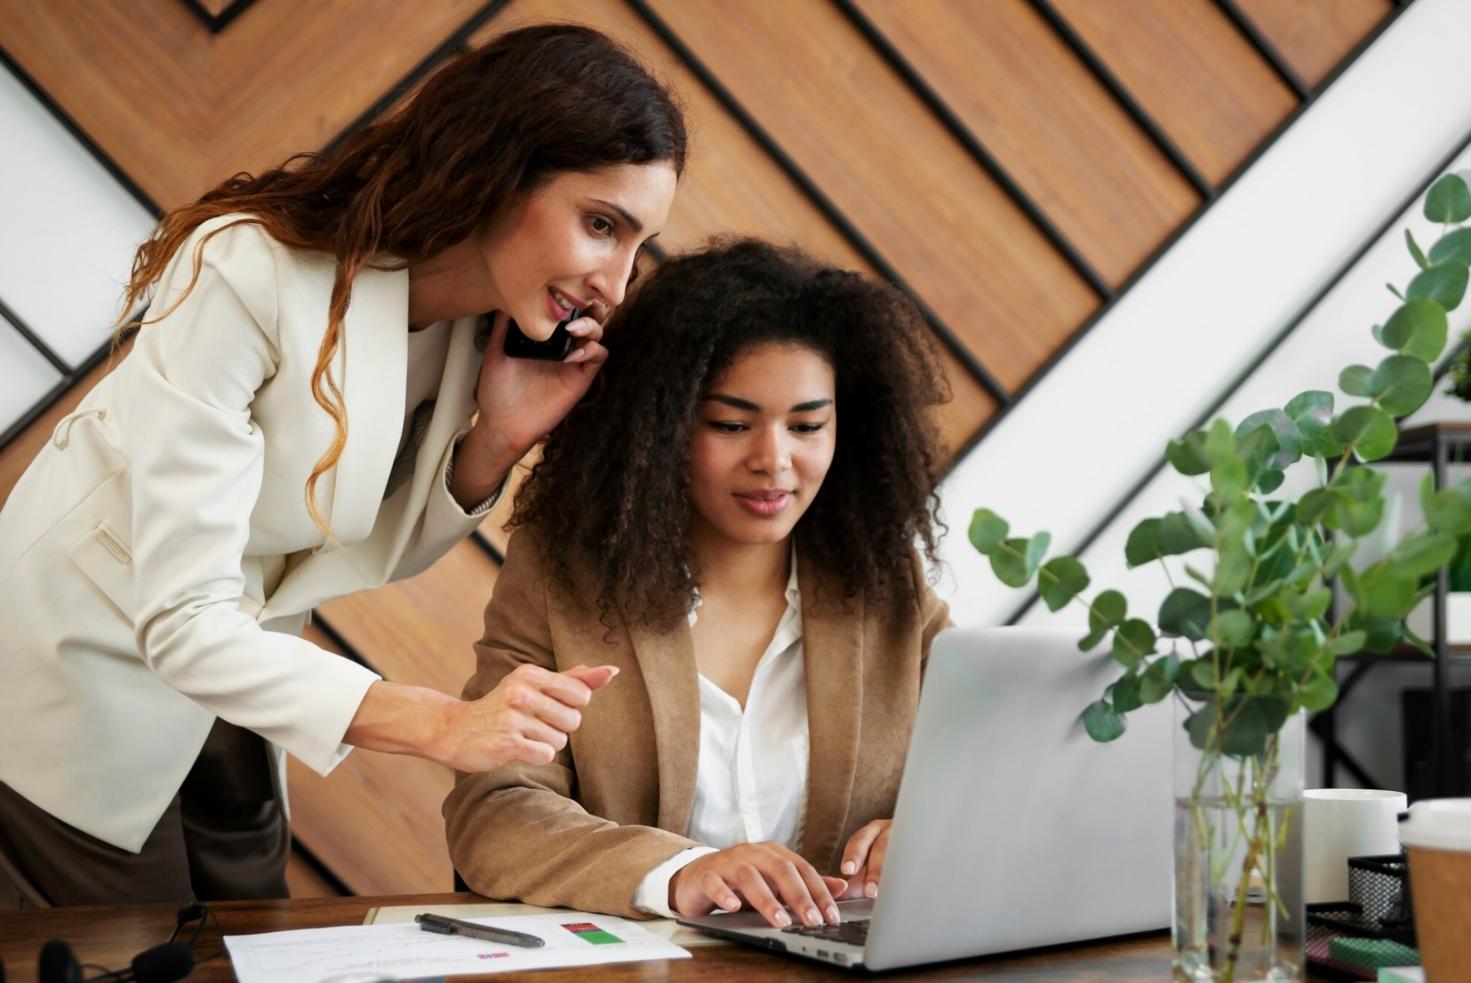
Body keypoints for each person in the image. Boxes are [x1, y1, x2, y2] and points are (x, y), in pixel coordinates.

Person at [0, 24, 686, 907]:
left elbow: (344, 547)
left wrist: (493, 442)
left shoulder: (468, 331)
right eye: (601, 226)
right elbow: (178, 617)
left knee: (253, 929)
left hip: (234, 680)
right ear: (501, 166)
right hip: (83, 661)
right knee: (132, 943)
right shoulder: (246, 271)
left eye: (637, 245)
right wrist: (444, 723)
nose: (614, 282)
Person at [444, 239, 953, 929]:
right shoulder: (560, 576)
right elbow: (495, 808)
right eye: (731, 423)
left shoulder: (884, 585)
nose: (773, 460)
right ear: (660, 426)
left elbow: (992, 773)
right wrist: (675, 870)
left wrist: (927, 831)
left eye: (807, 425)